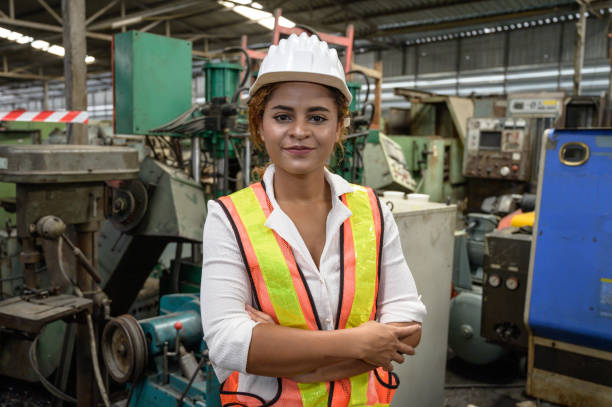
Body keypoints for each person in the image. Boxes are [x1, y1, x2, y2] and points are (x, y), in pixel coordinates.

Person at [201, 32, 426, 406]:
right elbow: (227, 344)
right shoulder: (228, 217)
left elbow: (409, 325)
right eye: (282, 116)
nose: (299, 131)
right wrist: (357, 343)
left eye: (317, 117)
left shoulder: (372, 210)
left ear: (339, 127)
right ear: (260, 125)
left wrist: (286, 352)